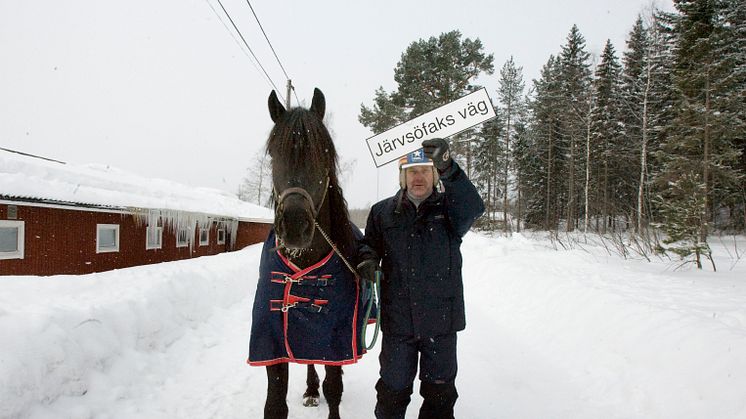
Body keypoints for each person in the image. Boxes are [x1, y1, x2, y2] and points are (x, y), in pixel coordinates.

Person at [357, 138, 485, 419]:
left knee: (440, 396)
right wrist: (367, 260)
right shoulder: (382, 212)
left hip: (440, 322)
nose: (418, 177)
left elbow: (474, 207)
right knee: (392, 392)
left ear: (434, 175)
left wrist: (449, 168)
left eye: (425, 171)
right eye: (412, 171)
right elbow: (370, 245)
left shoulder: (450, 210)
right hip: (398, 321)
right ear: (403, 177)